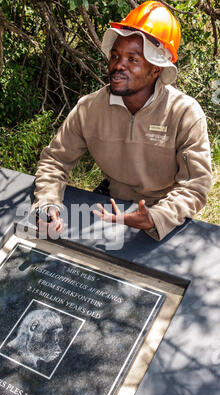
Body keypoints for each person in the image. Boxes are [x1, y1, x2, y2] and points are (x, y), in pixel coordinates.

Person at [32, 1, 212, 241]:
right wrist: (47, 204)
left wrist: (156, 216)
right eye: (115, 56)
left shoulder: (184, 113)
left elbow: (195, 185)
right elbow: (55, 160)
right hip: (110, 203)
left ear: (157, 69)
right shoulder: (89, 108)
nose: (118, 65)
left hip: (165, 213)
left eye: (132, 59)